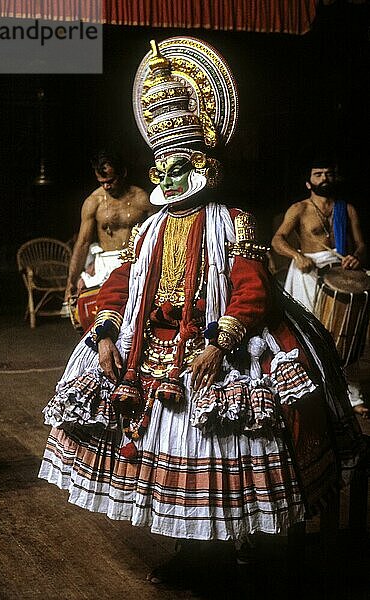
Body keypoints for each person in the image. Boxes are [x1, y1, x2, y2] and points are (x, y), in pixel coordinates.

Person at [39, 38, 361, 583]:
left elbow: (252, 288)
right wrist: (106, 335)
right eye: (162, 165)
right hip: (151, 344)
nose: (167, 175)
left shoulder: (233, 221)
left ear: (205, 166)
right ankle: (191, 550)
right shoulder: (150, 226)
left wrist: (219, 344)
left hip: (217, 343)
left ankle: (241, 550)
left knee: (234, 445)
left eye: (179, 164)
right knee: (160, 458)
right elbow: (121, 283)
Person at [271, 159, 368, 417]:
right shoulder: (300, 208)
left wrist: (356, 256)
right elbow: (277, 239)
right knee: (310, 333)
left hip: (340, 273)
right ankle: (314, 393)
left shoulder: (346, 209)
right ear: (308, 182)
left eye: (328, 173)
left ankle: (351, 395)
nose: (324, 177)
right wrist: (296, 255)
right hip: (308, 272)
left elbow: (362, 245)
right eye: (318, 174)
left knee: (344, 333)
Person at [63, 150, 154, 310]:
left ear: (123, 173)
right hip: (105, 263)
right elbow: (83, 243)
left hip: (134, 262)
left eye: (110, 180)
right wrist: (70, 282)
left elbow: (158, 234)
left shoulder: (141, 198)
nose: (106, 186)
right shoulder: (93, 202)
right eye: (101, 182)